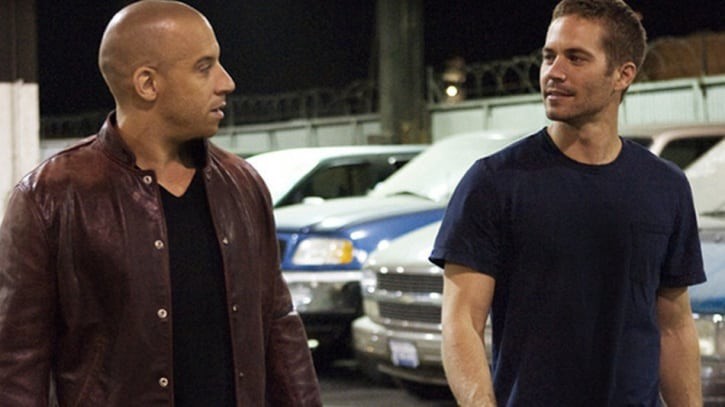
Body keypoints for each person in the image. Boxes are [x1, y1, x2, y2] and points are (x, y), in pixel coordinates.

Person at [0, 1, 321, 405]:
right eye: (204, 67)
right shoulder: (50, 196)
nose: (226, 82)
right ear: (147, 84)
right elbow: (16, 366)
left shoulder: (243, 184)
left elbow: (279, 325)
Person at [430, 0, 705, 405]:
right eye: (549, 56)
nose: (553, 72)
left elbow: (674, 328)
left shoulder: (666, 186)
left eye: (575, 58)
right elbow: (461, 324)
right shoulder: (494, 182)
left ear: (623, 74)